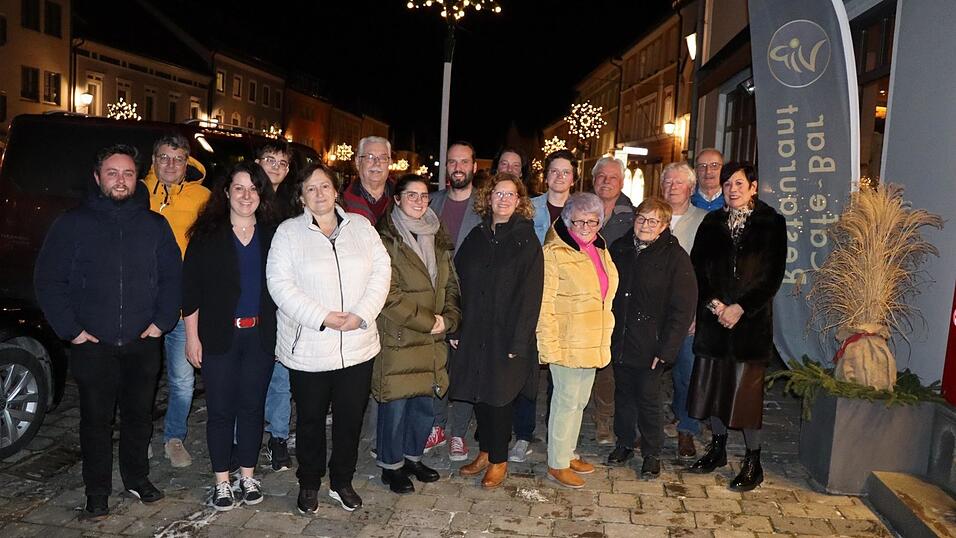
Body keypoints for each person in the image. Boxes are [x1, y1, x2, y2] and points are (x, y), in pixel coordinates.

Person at [34, 144, 182, 519]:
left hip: (141, 343)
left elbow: (172, 278)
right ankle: (96, 491)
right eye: (113, 173)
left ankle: (137, 477)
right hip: (92, 345)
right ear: (98, 177)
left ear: (137, 179)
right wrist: (72, 331)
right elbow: (49, 279)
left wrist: (161, 322)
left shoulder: (154, 225)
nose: (121, 180)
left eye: (128, 173)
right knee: (95, 423)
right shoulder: (72, 223)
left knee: (139, 417)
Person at [267, 162, 391, 513]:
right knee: (309, 421)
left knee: (350, 420)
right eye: (311, 188)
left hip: (357, 346)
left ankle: (342, 480)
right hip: (309, 348)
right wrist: (321, 317)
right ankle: (309, 482)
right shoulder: (288, 233)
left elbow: (382, 272)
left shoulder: (362, 228)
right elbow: (279, 284)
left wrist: (361, 314)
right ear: (301, 197)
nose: (319, 194)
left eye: (324, 186)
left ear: (336, 191)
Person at [182, 162, 278, 511]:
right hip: (219, 336)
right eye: (239, 188)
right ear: (226, 193)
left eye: (253, 188)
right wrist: (193, 338)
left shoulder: (273, 233)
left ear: (260, 194)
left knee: (252, 408)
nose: (246, 195)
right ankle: (222, 480)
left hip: (260, 337)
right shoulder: (207, 234)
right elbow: (190, 290)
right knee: (221, 411)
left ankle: (247, 475)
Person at [687, 162, 786, 492]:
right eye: (727, 183)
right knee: (713, 389)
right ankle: (717, 448)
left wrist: (741, 308)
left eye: (739, 183)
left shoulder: (772, 223)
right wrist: (715, 305)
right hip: (714, 322)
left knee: (745, 397)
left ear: (753, 187)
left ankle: (753, 461)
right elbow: (698, 268)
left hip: (750, 325)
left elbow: (772, 276)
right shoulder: (711, 222)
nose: (732, 188)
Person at [451, 173, 544, 489]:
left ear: (519, 201)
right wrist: (456, 326)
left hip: (507, 334)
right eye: (498, 194)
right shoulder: (476, 236)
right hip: (475, 330)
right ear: (488, 198)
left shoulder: (525, 240)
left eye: (510, 194)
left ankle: (499, 460)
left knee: (500, 397)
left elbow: (532, 294)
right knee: (480, 392)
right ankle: (486, 452)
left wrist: (519, 341)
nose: (503, 199)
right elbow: (457, 282)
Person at [373, 174, 461, 493]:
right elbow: (387, 294)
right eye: (412, 196)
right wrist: (429, 321)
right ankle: (391, 465)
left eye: (424, 196)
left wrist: (449, 317)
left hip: (433, 337)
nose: (419, 202)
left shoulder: (437, 235)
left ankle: (412, 457)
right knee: (395, 406)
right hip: (400, 336)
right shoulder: (385, 238)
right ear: (396, 199)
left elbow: (450, 283)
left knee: (423, 405)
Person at [607, 197, 697, 478]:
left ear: (664, 226)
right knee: (622, 396)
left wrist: (668, 348)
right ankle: (623, 442)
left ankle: (651, 452)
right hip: (620, 338)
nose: (645, 225)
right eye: (641, 218)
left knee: (648, 398)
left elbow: (683, 307)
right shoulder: (620, 248)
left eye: (653, 221)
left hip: (652, 343)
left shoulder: (674, 256)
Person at [537, 192, 618, 489]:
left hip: (593, 340)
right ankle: (557, 463)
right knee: (565, 402)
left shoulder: (599, 248)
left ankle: (568, 453)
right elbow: (544, 304)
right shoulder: (554, 253)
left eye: (592, 220)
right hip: (567, 341)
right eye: (579, 220)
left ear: (600, 221)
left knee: (579, 402)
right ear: (568, 220)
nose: (586, 226)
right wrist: (548, 345)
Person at [143, 133, 211, 469]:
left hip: (184, 305)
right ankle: (139, 438)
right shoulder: (138, 192)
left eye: (178, 158)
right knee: (140, 376)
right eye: (164, 157)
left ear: (188, 163)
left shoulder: (203, 198)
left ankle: (174, 437)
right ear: (154, 160)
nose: (171, 165)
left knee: (183, 379)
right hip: (142, 303)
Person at [425, 141, 482, 461]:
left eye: (464, 161)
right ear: (446, 167)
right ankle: (437, 424)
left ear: (474, 166)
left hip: (472, 300)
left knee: (464, 369)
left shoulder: (485, 207)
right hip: (435, 299)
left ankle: (458, 432)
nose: (458, 167)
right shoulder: (431, 203)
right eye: (452, 162)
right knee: (436, 366)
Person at [661, 162, 709, 460]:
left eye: (679, 182)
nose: (672, 187)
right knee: (648, 373)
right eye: (667, 182)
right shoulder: (651, 216)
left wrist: (697, 312)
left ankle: (687, 429)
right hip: (653, 312)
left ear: (691, 188)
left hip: (688, 313)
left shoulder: (705, 221)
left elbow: (709, 273)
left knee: (687, 373)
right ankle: (647, 428)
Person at [255, 141, 297, 472]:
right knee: (252, 373)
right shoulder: (243, 195)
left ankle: (278, 437)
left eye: (282, 163)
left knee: (281, 374)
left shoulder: (291, 204)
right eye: (270, 160)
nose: (275, 167)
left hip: (281, 299)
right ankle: (246, 436)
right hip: (249, 297)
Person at [590, 156, 634, 445]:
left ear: (621, 182)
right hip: (583, 298)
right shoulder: (578, 208)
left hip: (617, 301)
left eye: (612, 177)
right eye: (601, 177)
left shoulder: (632, 215)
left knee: (609, 362)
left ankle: (605, 419)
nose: (606, 181)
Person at [342, 136, 394, 225]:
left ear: (389, 163)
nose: (377, 163)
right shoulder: (342, 204)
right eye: (370, 157)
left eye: (383, 158)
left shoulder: (403, 200)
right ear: (358, 162)